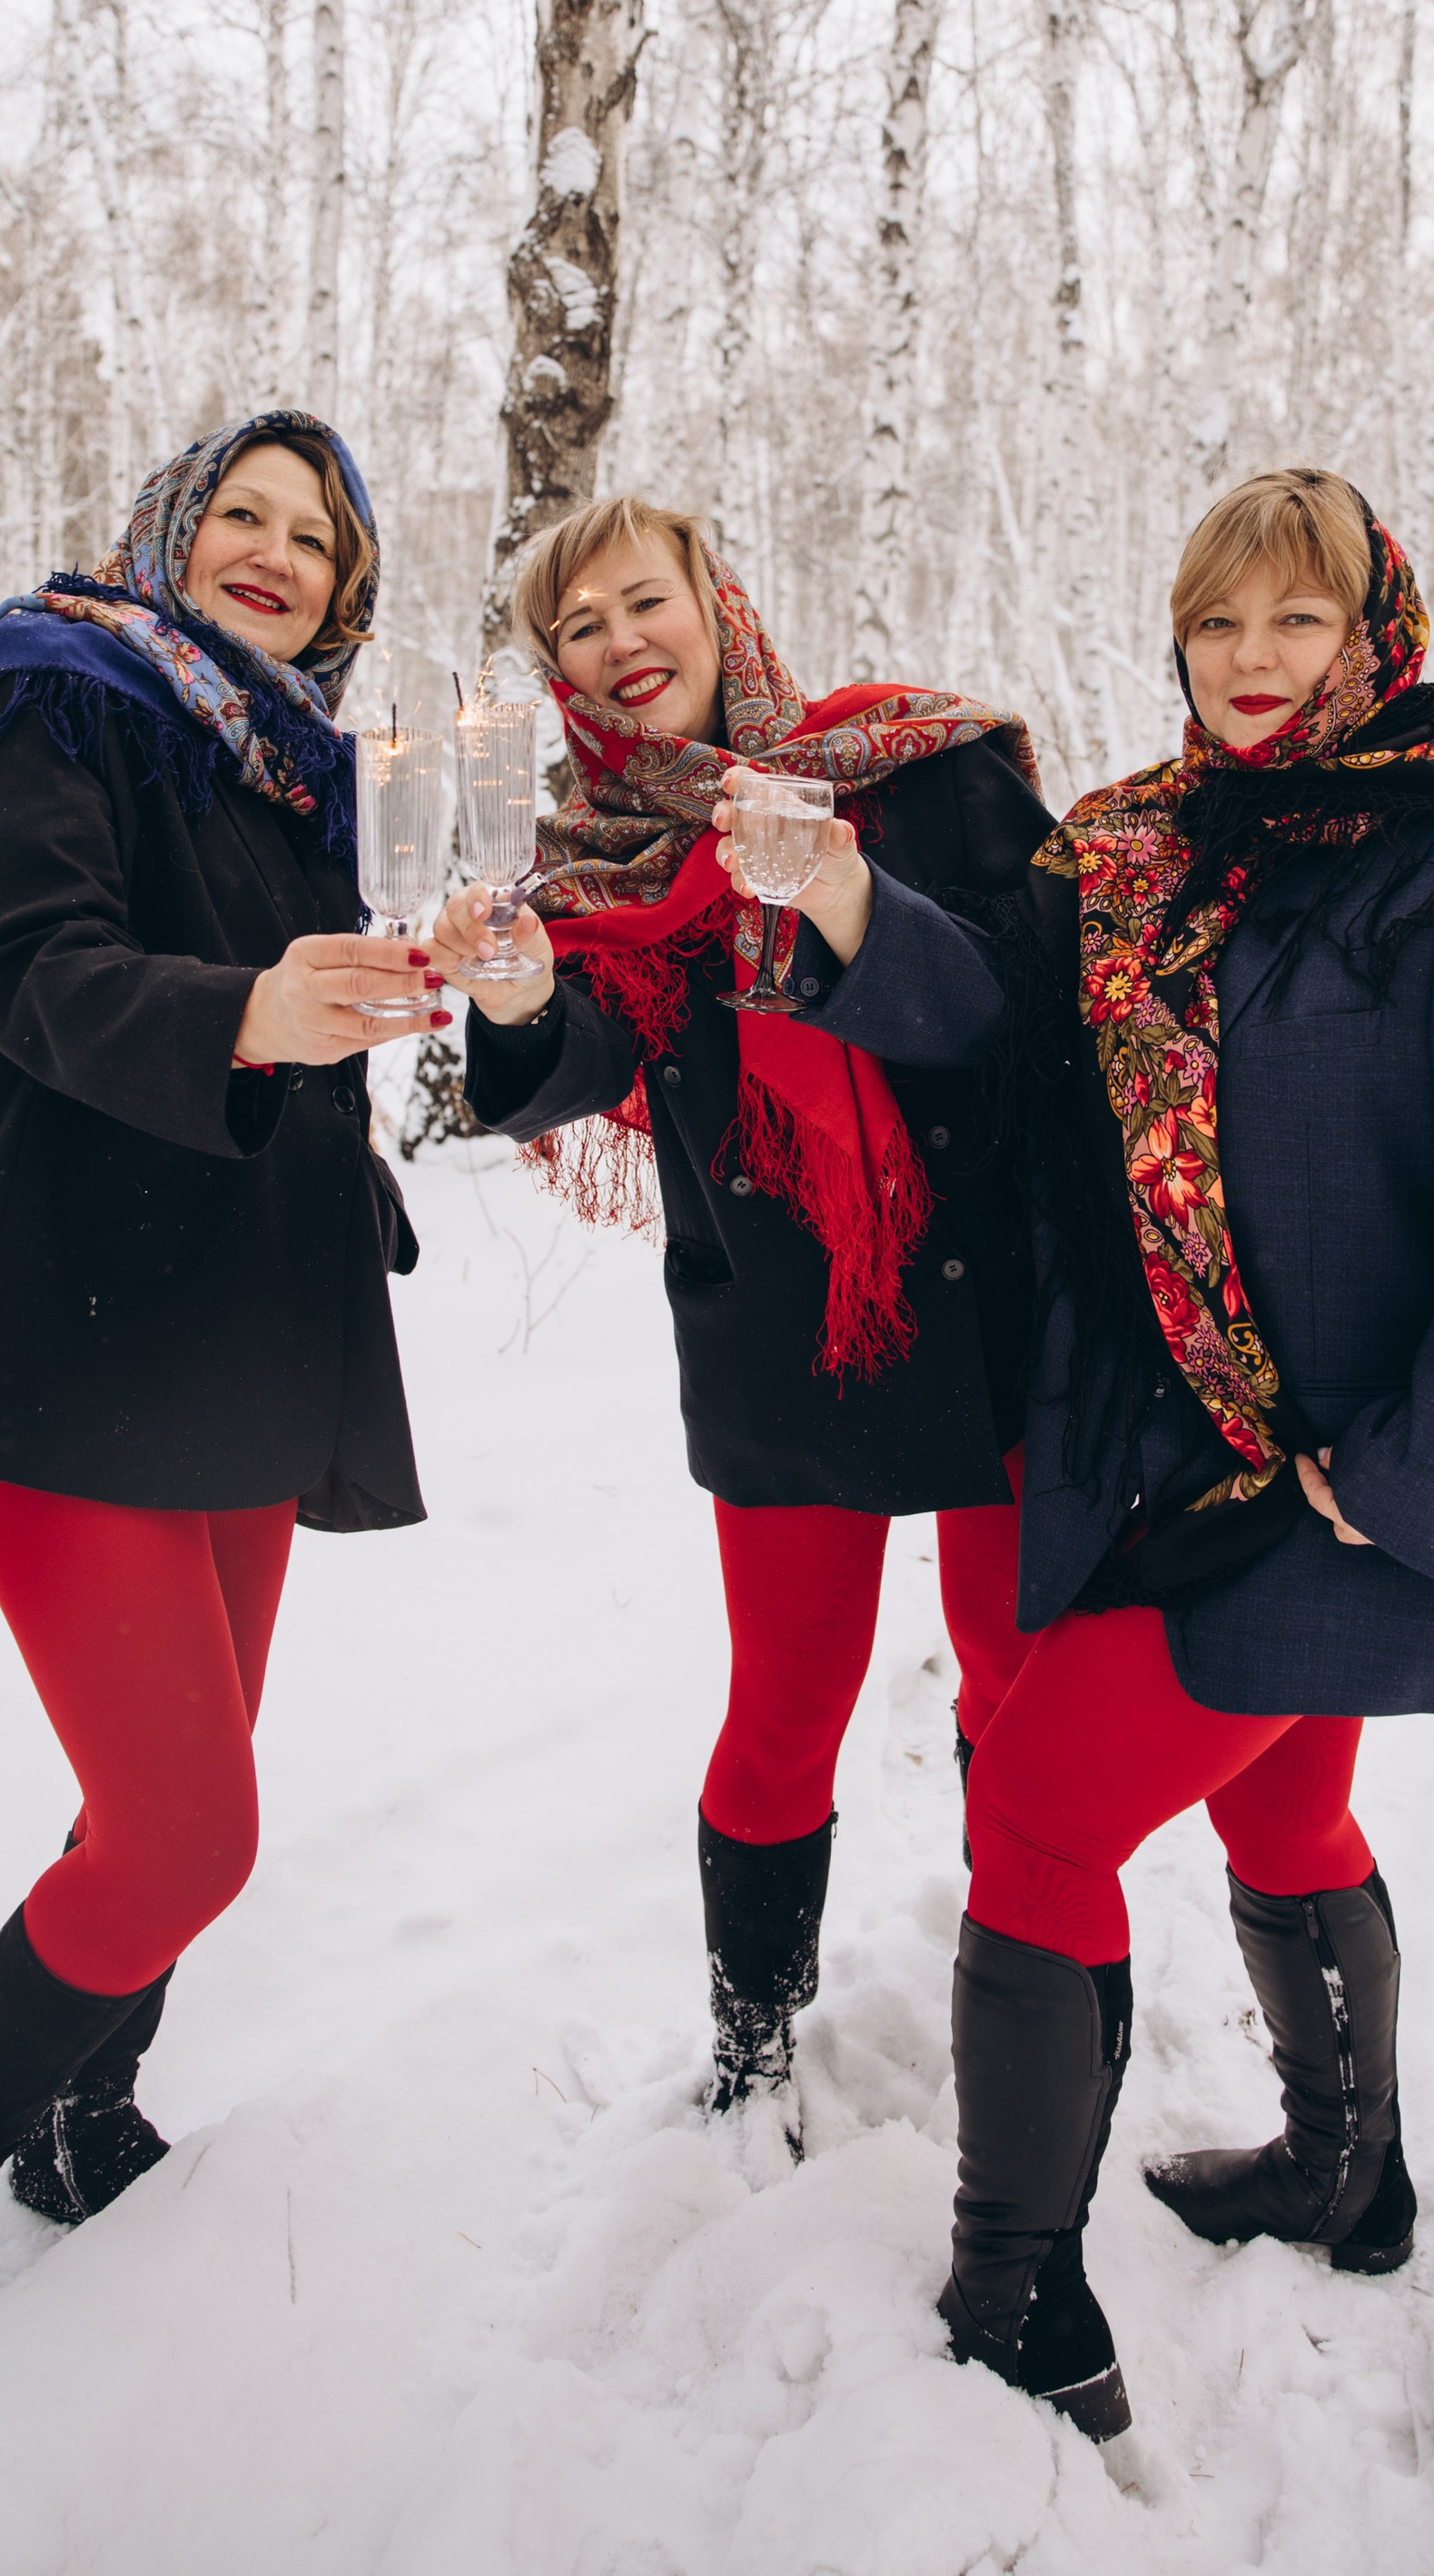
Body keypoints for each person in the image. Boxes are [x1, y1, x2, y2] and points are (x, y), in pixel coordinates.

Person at [934, 467, 1434, 2442]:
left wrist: (1410, 1475)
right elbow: (982, 1014)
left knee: (1042, 1822)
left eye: (1292, 624)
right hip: (1174, 1455)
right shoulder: (1155, 848)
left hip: (1329, 1486)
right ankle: (1346, 2175)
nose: (1248, 665)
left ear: (1371, 635)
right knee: (1277, 1818)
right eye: (1214, 627)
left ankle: (1012, 2291)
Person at [0, 411, 443, 2418]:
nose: (274, 553)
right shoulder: (51, 692)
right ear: (171, 536)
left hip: (240, 1335)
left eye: (314, 536)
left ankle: (83, 2116)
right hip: (51, 1325)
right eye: (240, 518)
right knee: (187, 1832)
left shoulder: (308, 776)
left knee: (160, 1793)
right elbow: (28, 971)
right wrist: (251, 1012)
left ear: (347, 586)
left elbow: (342, 1006)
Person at [426, 495, 1053, 2128]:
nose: (624, 645)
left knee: (1014, 1687)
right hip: (782, 1330)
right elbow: (576, 1058)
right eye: (581, 627)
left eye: (649, 602)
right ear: (555, 669)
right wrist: (513, 998)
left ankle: (1028, 2009)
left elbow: (1017, 1022)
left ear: (719, 605)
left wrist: (847, 901)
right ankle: (753, 2043)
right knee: (784, 1708)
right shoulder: (585, 860)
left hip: (1000, 1316)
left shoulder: (919, 769)